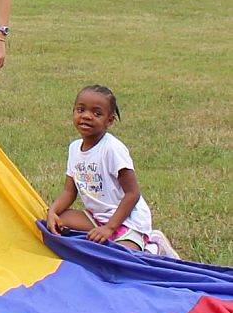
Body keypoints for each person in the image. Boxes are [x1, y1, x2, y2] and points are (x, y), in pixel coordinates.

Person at [46, 85, 177, 257]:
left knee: (119, 258)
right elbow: (69, 191)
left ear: (110, 121)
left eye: (97, 113)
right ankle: (103, 235)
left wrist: (110, 227)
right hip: (96, 217)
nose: (86, 116)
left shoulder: (112, 149)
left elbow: (132, 194)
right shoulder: (74, 149)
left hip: (127, 220)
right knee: (54, 224)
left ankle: (154, 246)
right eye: (81, 109)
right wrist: (52, 212)